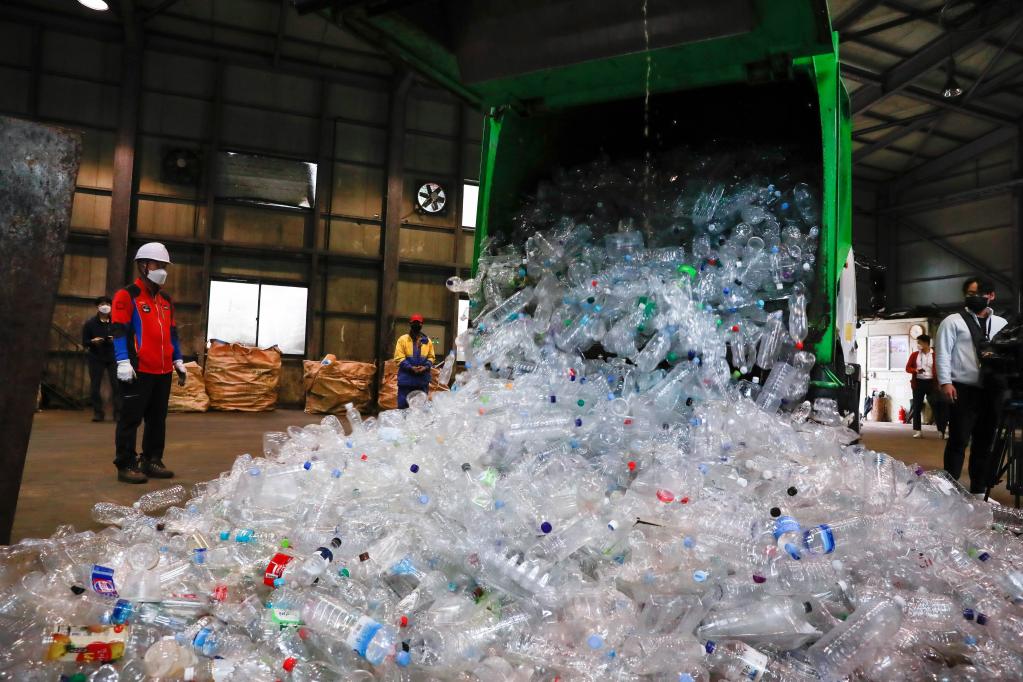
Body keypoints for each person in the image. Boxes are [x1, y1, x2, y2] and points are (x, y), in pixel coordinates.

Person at [111, 242, 187, 484]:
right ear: (142, 266)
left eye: (165, 266)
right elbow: (119, 329)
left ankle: (152, 460)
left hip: (162, 370)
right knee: (130, 419)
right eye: (157, 265)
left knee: (157, 420)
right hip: (137, 369)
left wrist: (177, 358)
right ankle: (126, 464)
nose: (162, 270)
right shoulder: (127, 296)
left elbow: (172, 333)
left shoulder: (165, 300)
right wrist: (123, 360)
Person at [936, 277, 1008, 494]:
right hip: (962, 388)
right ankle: (950, 490)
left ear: (991, 296)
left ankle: (978, 490)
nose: (973, 297)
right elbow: (943, 353)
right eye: (969, 294)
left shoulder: (1002, 324)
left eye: (978, 294)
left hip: (992, 390)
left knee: (984, 441)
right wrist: (945, 382)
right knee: (958, 439)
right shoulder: (953, 321)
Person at [82, 295, 121, 422]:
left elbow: (122, 338)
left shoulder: (115, 323)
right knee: (95, 386)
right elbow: (85, 342)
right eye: (102, 304)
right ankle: (98, 412)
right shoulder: (90, 324)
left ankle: (118, 412)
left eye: (108, 304)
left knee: (117, 385)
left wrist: (114, 340)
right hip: (96, 357)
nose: (105, 307)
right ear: (97, 307)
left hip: (113, 357)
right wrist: (93, 341)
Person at [905, 334, 942, 439]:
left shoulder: (935, 355)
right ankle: (918, 431)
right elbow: (907, 368)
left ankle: (941, 430)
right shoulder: (914, 355)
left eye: (919, 342)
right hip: (918, 383)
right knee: (917, 407)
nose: (918, 344)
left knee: (936, 406)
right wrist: (915, 370)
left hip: (932, 383)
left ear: (926, 343)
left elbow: (940, 368)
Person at [394, 314, 435, 409]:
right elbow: (398, 357)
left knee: (420, 410)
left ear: (422, 325)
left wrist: (425, 367)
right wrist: (410, 367)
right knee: (403, 408)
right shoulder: (402, 340)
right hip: (406, 381)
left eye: (418, 323)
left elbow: (431, 357)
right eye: (414, 323)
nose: (416, 325)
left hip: (422, 381)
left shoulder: (427, 342)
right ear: (410, 324)